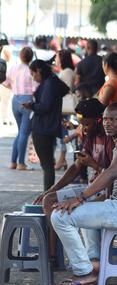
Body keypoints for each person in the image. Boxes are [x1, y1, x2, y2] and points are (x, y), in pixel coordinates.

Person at [50, 102, 117, 285]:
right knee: (79, 208)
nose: (107, 123)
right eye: (105, 119)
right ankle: (94, 264)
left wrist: (81, 197)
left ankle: (85, 271)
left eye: (113, 119)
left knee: (59, 217)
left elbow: (112, 172)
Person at [33, 99, 113, 260]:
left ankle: (93, 258)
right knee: (49, 199)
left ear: (99, 121)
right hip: (90, 189)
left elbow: (113, 177)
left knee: (80, 207)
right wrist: (52, 189)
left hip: (105, 192)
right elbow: (75, 168)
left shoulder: (110, 139)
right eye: (81, 124)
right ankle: (53, 255)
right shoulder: (89, 137)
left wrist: (93, 164)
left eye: (87, 124)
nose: (83, 128)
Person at [23, 60, 70, 190]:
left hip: (43, 127)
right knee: (48, 164)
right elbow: (64, 90)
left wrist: (31, 106)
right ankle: (48, 193)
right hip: (49, 126)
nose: (33, 77)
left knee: (47, 166)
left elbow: (45, 106)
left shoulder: (49, 84)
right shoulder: (53, 81)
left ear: (39, 71)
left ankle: (47, 194)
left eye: (33, 74)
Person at [2, 47, 37, 170]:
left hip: (15, 99)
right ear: (31, 57)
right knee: (24, 133)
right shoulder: (32, 70)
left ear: (21, 56)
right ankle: (21, 163)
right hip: (27, 101)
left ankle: (13, 162)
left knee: (20, 132)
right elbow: (37, 87)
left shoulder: (13, 68)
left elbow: (5, 83)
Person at [55, 49, 77, 171]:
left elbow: (66, 89)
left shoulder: (67, 72)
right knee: (63, 132)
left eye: (58, 57)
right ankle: (61, 159)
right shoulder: (66, 71)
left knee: (64, 132)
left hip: (64, 106)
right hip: (63, 106)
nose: (56, 59)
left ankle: (62, 158)